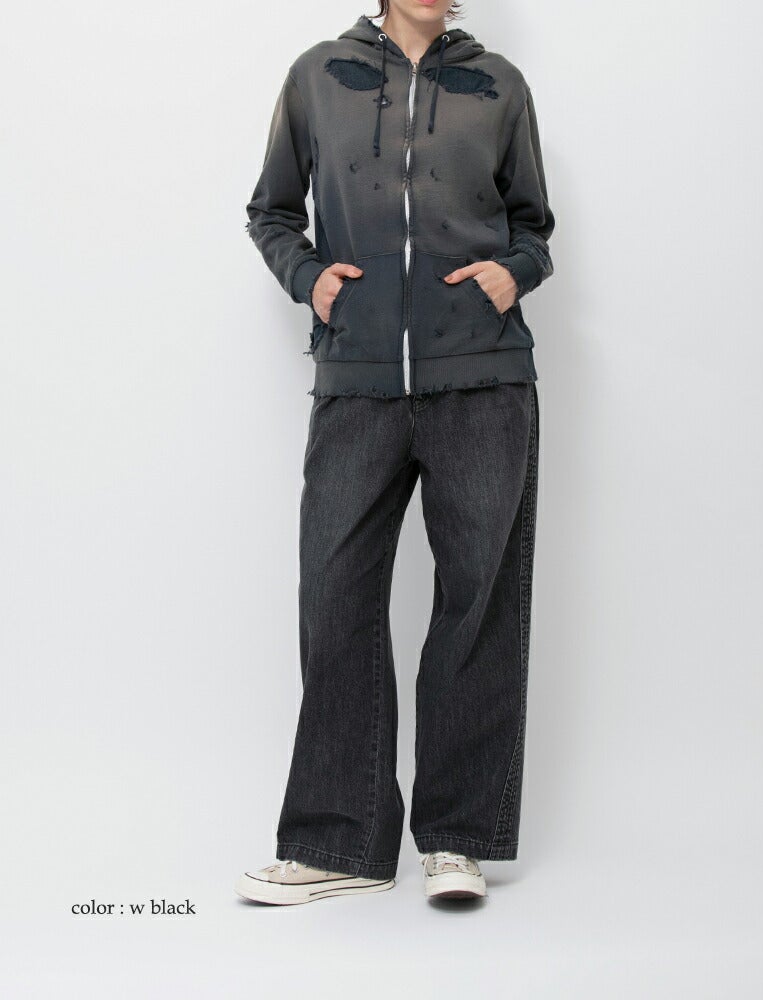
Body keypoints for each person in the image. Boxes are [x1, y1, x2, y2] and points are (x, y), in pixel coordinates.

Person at [235, 0, 555, 905]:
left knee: (476, 604)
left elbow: (534, 226)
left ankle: (456, 840)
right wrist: (310, 280)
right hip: (358, 384)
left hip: (482, 380)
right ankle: (340, 843)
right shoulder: (316, 77)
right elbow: (270, 212)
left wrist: (514, 273)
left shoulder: (498, 85)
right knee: (334, 596)